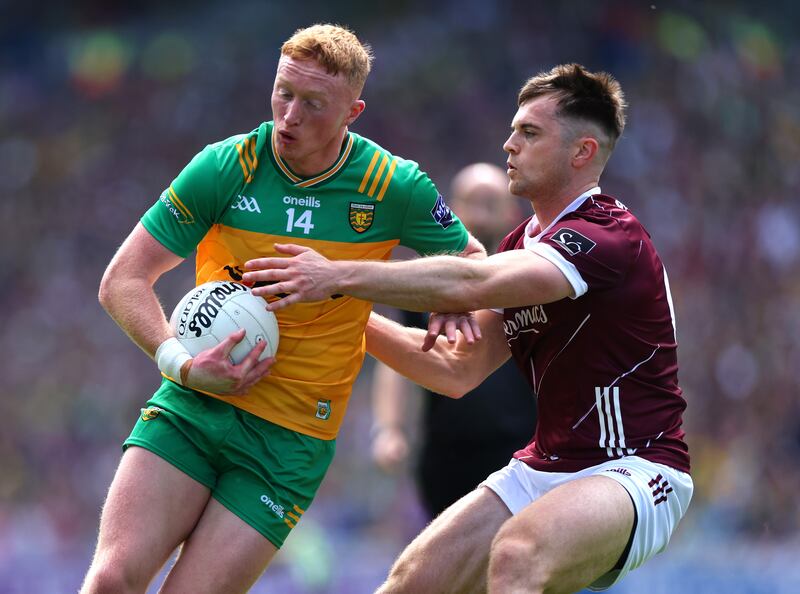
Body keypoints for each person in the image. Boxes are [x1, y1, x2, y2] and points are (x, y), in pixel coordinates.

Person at [242, 63, 693, 593]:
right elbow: (456, 369)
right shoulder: (522, 241)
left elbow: (468, 284)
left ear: (582, 152)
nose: (509, 144)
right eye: (512, 129)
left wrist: (336, 275)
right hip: (545, 464)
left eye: (529, 133)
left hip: (637, 469)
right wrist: (345, 316)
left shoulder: (608, 236)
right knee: (412, 581)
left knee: (518, 554)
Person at [82, 24, 483, 594]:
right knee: (110, 581)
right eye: (282, 92)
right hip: (193, 405)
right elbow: (122, 280)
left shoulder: (392, 184)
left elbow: (469, 258)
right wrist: (182, 364)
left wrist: (450, 296)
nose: (289, 115)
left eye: (313, 103)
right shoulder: (225, 167)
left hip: (290, 440)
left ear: (353, 111)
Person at [370, 163, 538, 519]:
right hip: (447, 458)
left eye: (490, 202)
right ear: (452, 210)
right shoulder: (429, 283)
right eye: (470, 202)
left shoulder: (532, 279)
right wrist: (389, 429)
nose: (479, 213)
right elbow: (396, 363)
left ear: (511, 212)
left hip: (523, 455)